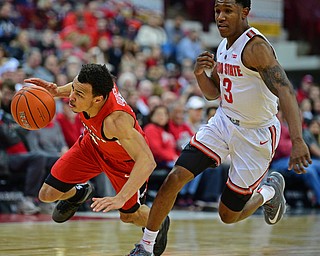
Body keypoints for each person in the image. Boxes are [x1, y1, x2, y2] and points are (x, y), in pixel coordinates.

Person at [127, 1, 311, 255]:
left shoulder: (256, 48)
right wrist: (201, 75)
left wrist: (298, 140)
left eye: (228, 11)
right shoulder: (224, 45)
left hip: (255, 133)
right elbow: (214, 93)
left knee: (228, 215)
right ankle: (146, 246)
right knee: (175, 177)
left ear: (245, 13)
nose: (220, 17)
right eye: (217, 11)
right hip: (223, 122)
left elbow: (286, 91)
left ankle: (269, 191)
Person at [24, 63, 170, 256]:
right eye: (73, 89)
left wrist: (121, 197)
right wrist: (57, 91)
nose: (72, 97)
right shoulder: (98, 84)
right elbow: (80, 87)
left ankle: (158, 220)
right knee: (47, 194)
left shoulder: (116, 121)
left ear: (98, 99)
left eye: (79, 95)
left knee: (128, 216)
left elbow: (147, 161)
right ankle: (78, 193)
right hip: (92, 146)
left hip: (123, 163)